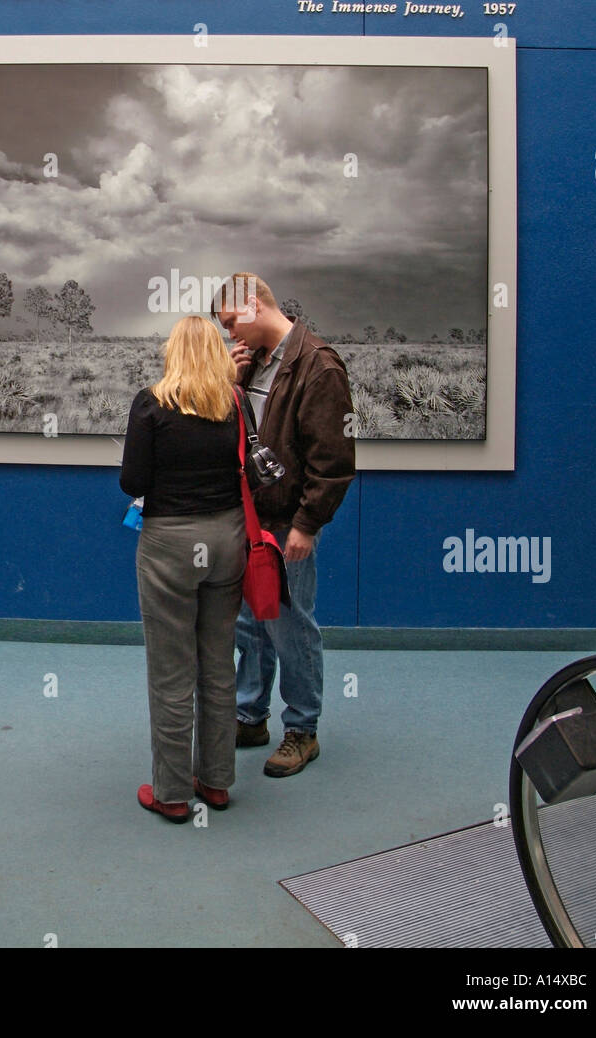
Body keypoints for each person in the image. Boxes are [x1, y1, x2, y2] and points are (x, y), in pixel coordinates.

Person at [212, 273, 355, 778]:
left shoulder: (317, 364)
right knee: (252, 621)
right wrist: (229, 382)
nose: (233, 336)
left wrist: (307, 524)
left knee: (291, 623)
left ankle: (302, 730)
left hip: (288, 521)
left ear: (252, 306)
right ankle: (250, 716)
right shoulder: (254, 365)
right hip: (252, 516)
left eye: (232, 323)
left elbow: (333, 459)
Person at [120, 315, 246, 822]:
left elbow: (133, 480)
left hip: (170, 543)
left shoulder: (151, 404)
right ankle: (216, 783)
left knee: (172, 670)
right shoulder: (234, 404)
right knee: (218, 664)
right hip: (227, 539)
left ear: (173, 351)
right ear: (215, 352)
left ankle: (171, 793)